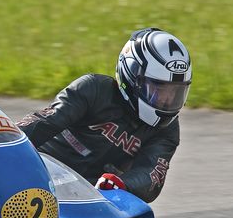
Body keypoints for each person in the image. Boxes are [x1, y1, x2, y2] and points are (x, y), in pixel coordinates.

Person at [16, 27, 191, 203]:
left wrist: (123, 185)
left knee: (130, 217)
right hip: (39, 172)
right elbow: (46, 121)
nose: (167, 100)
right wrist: (12, 144)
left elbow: (151, 176)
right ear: (132, 77)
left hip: (92, 192)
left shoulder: (168, 130)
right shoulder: (94, 89)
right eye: (158, 89)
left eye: (175, 92)